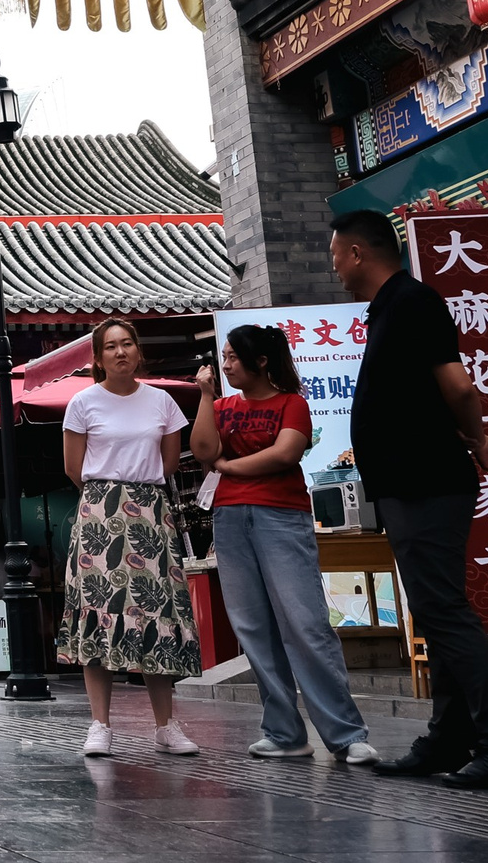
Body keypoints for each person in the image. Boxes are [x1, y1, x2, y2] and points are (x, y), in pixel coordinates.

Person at [333, 209, 488, 790]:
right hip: (407, 482)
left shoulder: (413, 302)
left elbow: (459, 385)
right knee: (435, 607)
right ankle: (450, 736)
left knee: (442, 608)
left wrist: (477, 439)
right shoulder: (391, 308)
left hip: (426, 480)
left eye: (336, 253)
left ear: (357, 253)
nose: (335, 265)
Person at [195, 324, 378, 765]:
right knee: (253, 628)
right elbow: (203, 451)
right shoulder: (221, 405)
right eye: (225, 357)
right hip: (230, 518)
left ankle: (346, 734)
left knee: (305, 622)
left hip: (282, 515)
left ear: (261, 361)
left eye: (235, 356)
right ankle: (283, 732)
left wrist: (232, 468)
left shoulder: (291, 403)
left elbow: (285, 453)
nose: (226, 364)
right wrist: (204, 397)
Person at [61, 318, 204, 758]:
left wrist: (138, 497)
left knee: (156, 613)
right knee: (101, 612)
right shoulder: (83, 403)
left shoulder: (162, 402)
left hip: (150, 509)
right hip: (101, 510)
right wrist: (107, 500)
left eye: (127, 344)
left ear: (138, 351)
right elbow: (73, 467)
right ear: (98, 357)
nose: (120, 353)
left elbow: (169, 464)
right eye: (110, 347)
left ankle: (166, 725)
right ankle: (100, 725)